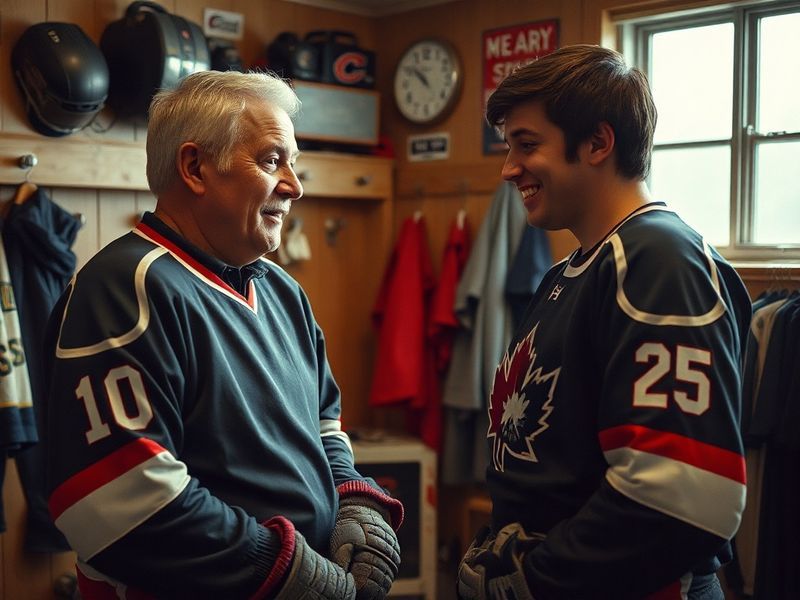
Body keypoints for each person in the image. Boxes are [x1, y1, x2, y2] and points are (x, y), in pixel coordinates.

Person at [43, 70, 402, 600]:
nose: (295, 186)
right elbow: (120, 503)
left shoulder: (282, 290)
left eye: (293, 163)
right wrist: (286, 572)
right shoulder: (126, 287)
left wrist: (354, 501)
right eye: (272, 160)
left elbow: (324, 426)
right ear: (194, 167)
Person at [457, 45, 751, 600]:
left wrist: (537, 580)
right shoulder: (574, 269)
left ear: (597, 142)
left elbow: (683, 498)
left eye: (527, 144)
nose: (508, 168)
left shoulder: (658, 258)